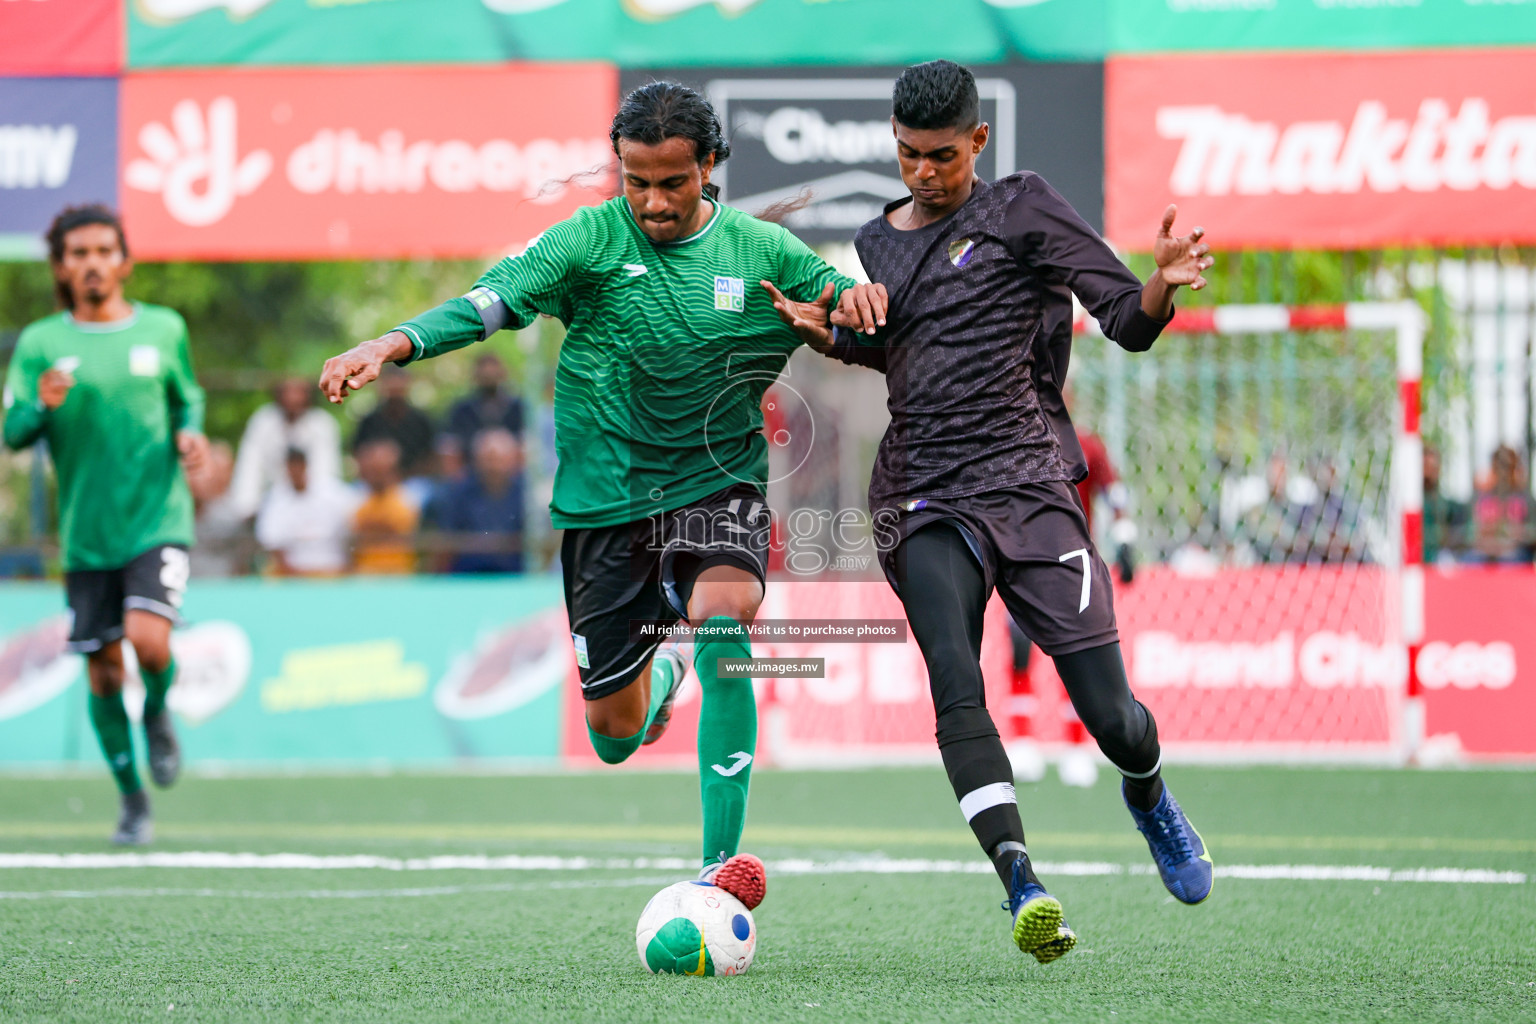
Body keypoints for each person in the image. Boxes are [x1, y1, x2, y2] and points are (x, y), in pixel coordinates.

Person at [317, 81, 880, 913]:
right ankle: (659, 683)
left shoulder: (763, 252)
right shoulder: (586, 238)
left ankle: (718, 869)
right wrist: (395, 341)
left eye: (673, 182)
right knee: (614, 738)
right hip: (605, 503)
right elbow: (492, 301)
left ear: (710, 168)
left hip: (716, 485)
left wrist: (859, 309)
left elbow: (848, 309)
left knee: (725, 621)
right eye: (635, 180)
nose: (652, 200)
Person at [767, 61, 1216, 963]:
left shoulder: (1025, 207)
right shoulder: (875, 239)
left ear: (977, 141)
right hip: (922, 489)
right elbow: (902, 349)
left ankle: (1148, 794)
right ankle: (1021, 881)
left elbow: (1126, 320)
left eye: (939, 156)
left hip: (1030, 484)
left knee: (1115, 718)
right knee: (953, 678)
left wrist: (1162, 284)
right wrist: (836, 335)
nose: (921, 172)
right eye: (905, 155)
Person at [1, 204, 208, 845]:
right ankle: (132, 798)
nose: (92, 263)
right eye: (78, 253)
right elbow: (13, 433)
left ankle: (159, 711)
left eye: (103, 251)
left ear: (125, 261)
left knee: (150, 644)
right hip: (88, 537)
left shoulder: (164, 329)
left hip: (157, 519)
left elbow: (189, 396)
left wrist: (191, 433)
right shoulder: (41, 344)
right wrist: (41, 406)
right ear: (62, 266)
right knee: (103, 673)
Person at [228, 376, 342, 519]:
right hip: (268, 505)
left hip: (313, 505)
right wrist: (246, 507)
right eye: (288, 392)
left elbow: (325, 471)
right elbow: (249, 467)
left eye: (299, 392)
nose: (293, 398)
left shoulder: (322, 424)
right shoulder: (263, 422)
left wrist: (311, 506)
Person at [424, 427, 526, 574]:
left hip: (516, 575)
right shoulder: (458, 493)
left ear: (512, 459)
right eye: (488, 459)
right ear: (476, 459)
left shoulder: (525, 495)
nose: (494, 466)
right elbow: (447, 539)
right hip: (468, 576)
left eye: (499, 459)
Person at [254, 448, 354, 576]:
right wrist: (294, 575)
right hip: (291, 575)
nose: (295, 471)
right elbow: (271, 542)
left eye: (298, 465)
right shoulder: (275, 499)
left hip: (332, 569)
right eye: (291, 466)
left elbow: (351, 528)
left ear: (306, 465)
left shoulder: (332, 492)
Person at [352, 365, 436, 482]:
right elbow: (358, 454)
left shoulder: (421, 420)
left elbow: (430, 457)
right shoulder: (369, 421)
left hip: (413, 481)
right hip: (375, 484)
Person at [350, 438, 419, 574]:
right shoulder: (358, 499)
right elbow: (356, 536)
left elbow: (400, 530)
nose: (375, 475)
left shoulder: (407, 499)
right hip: (365, 576)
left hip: (398, 575)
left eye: (380, 470)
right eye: (372, 470)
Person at [445, 351, 524, 454]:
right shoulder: (463, 410)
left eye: (493, 374)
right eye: (485, 376)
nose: (489, 377)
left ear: (502, 374)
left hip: (512, 464)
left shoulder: (517, 407)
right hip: (471, 464)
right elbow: (453, 439)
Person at [1471, 444, 1535, 563]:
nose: (1503, 472)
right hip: (1486, 553)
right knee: (1469, 560)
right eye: (1499, 466)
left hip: (1515, 553)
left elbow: (1532, 533)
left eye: (1507, 467)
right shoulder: (1483, 497)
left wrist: (1519, 533)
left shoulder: (1525, 498)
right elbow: (1473, 534)